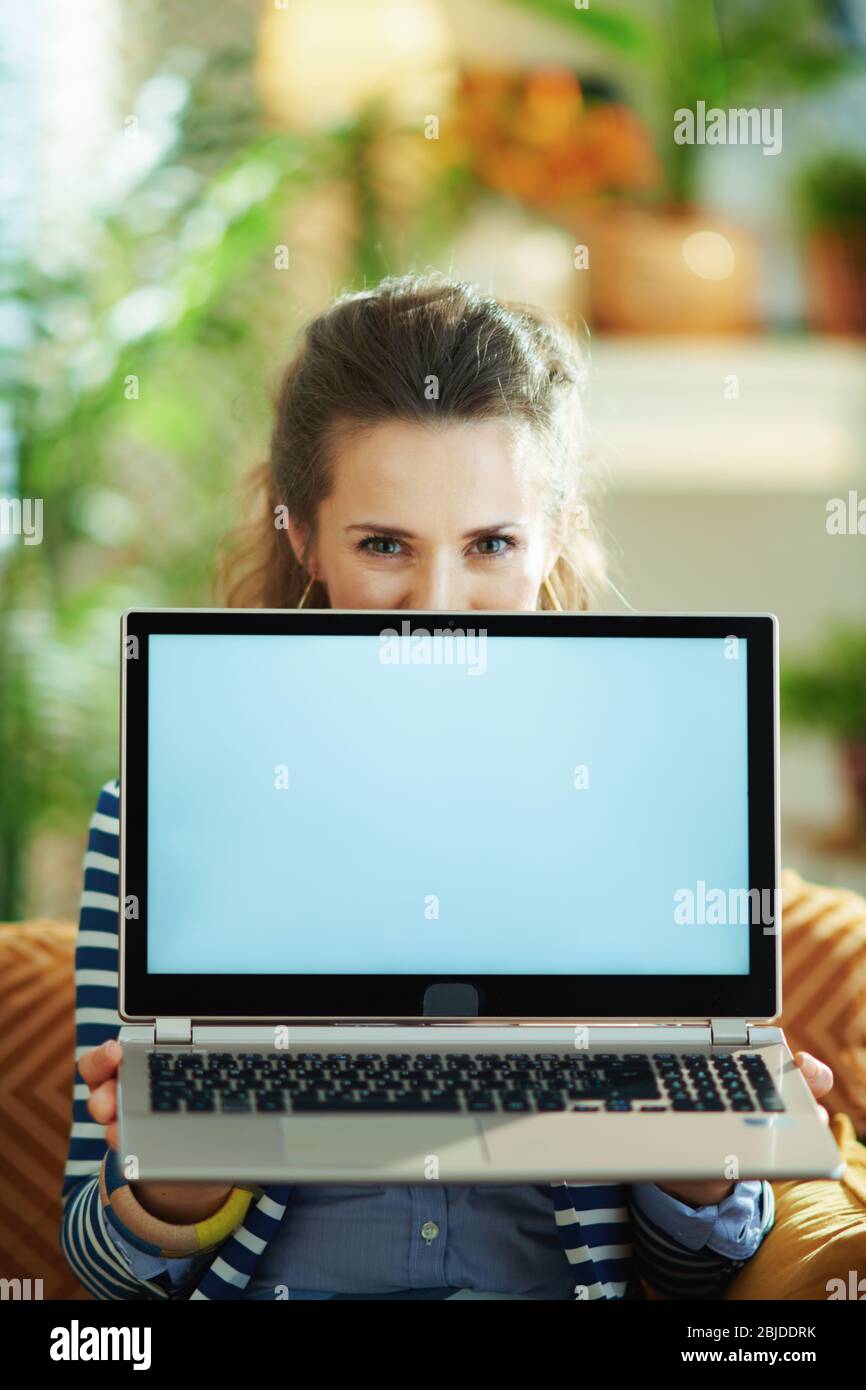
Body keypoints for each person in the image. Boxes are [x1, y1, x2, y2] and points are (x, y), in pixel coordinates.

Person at [61, 273, 834, 1301]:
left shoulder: (635, 817)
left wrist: (700, 1163)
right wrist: (178, 1190)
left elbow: (702, 1275)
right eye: (384, 545)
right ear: (303, 537)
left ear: (551, 534)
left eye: (489, 545)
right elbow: (105, 1279)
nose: (436, 609)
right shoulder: (160, 816)